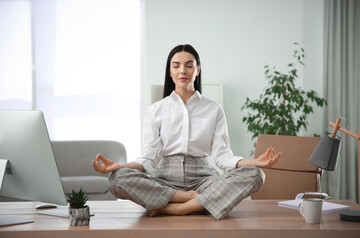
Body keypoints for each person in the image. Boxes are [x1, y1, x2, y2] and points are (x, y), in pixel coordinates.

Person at [92, 44, 281, 220]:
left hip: (204, 179)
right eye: (176, 66)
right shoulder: (155, 110)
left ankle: (176, 208)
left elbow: (223, 157)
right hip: (164, 179)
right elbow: (147, 160)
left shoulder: (214, 109)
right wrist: (117, 166)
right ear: (170, 71)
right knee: (117, 179)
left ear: (197, 70)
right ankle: (192, 199)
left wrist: (254, 162)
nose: (182, 70)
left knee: (256, 175)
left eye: (189, 65)